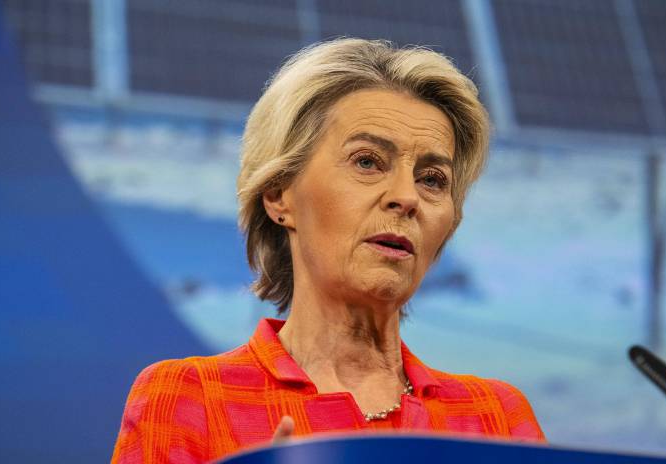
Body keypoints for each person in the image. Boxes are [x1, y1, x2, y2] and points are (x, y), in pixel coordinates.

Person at [111, 38, 544, 464]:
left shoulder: (495, 419)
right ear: (280, 194)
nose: (407, 198)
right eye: (368, 161)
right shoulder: (189, 399)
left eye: (432, 179)